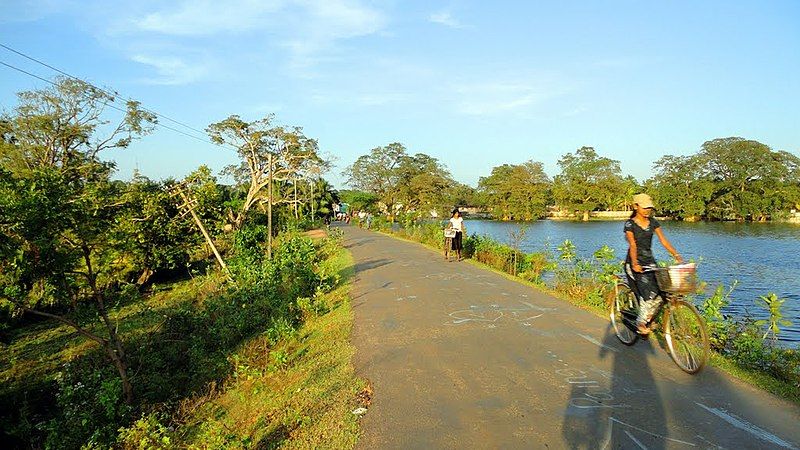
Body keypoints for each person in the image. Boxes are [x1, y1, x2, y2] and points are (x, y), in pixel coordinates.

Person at [624, 193, 683, 335]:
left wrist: (676, 255)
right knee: (647, 293)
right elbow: (632, 244)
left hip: (650, 261)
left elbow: (663, 240)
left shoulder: (653, 222)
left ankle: (649, 317)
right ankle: (640, 322)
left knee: (662, 290)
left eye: (649, 208)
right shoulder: (629, 224)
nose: (647, 210)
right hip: (634, 262)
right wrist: (635, 264)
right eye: (644, 208)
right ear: (636, 207)